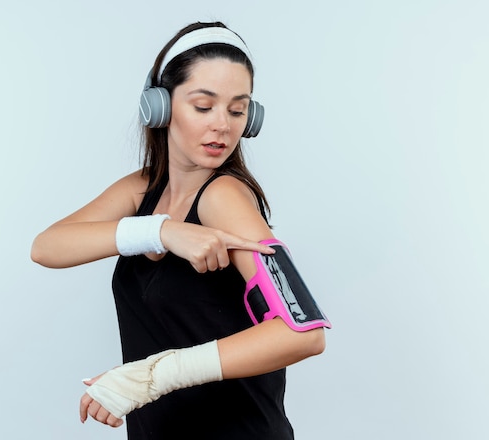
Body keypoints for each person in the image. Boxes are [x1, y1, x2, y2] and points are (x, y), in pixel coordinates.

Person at [31, 21, 330, 439]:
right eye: (203, 106)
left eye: (238, 109)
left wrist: (158, 374)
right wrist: (161, 231)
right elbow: (47, 247)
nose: (223, 126)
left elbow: (303, 332)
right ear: (161, 106)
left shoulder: (222, 196)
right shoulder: (144, 189)